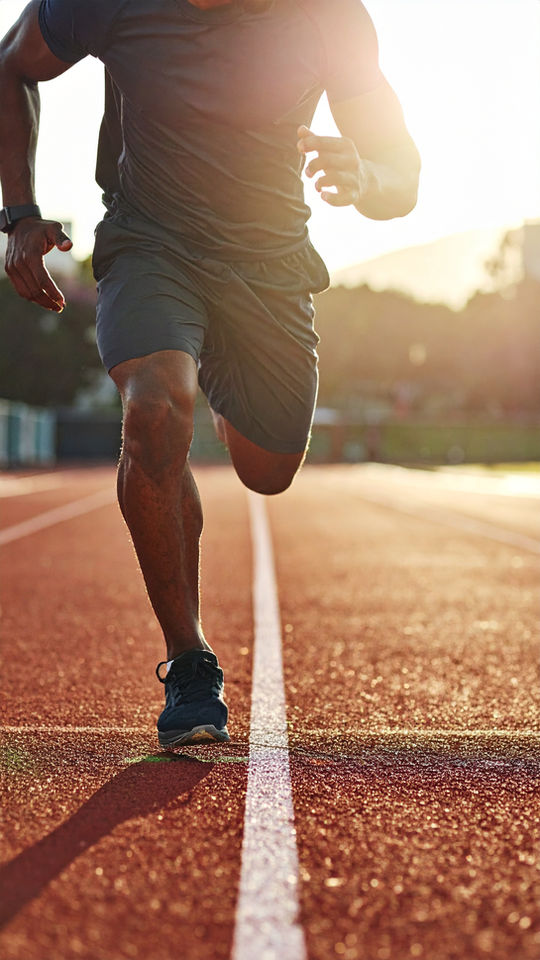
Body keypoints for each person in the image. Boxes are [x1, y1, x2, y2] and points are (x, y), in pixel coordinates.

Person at [0, 0, 420, 747]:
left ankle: (217, 371)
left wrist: (365, 175)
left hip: (269, 264)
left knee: (268, 468)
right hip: (150, 243)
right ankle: (189, 661)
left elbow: (402, 175)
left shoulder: (327, 17)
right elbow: (12, 66)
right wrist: (19, 213)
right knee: (155, 410)